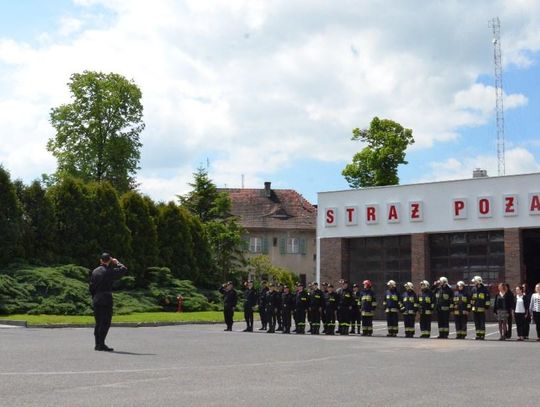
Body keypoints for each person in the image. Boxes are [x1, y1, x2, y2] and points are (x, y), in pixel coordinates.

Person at [89, 253, 127, 351]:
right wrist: (117, 262)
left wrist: (94, 296)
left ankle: (97, 344)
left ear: (101, 260)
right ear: (109, 260)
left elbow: (91, 286)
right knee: (105, 322)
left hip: (97, 297)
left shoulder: (95, 271)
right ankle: (101, 344)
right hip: (106, 297)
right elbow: (123, 269)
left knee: (98, 322)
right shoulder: (110, 271)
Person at [470, 275, 491, 340]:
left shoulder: (484, 289)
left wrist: (486, 307)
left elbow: (487, 299)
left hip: (481, 309)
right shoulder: (473, 289)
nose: (474, 283)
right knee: (476, 323)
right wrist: (471, 306)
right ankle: (478, 335)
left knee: (482, 323)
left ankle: (482, 335)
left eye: (475, 282)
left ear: (478, 282)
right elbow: (471, 298)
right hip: (475, 309)